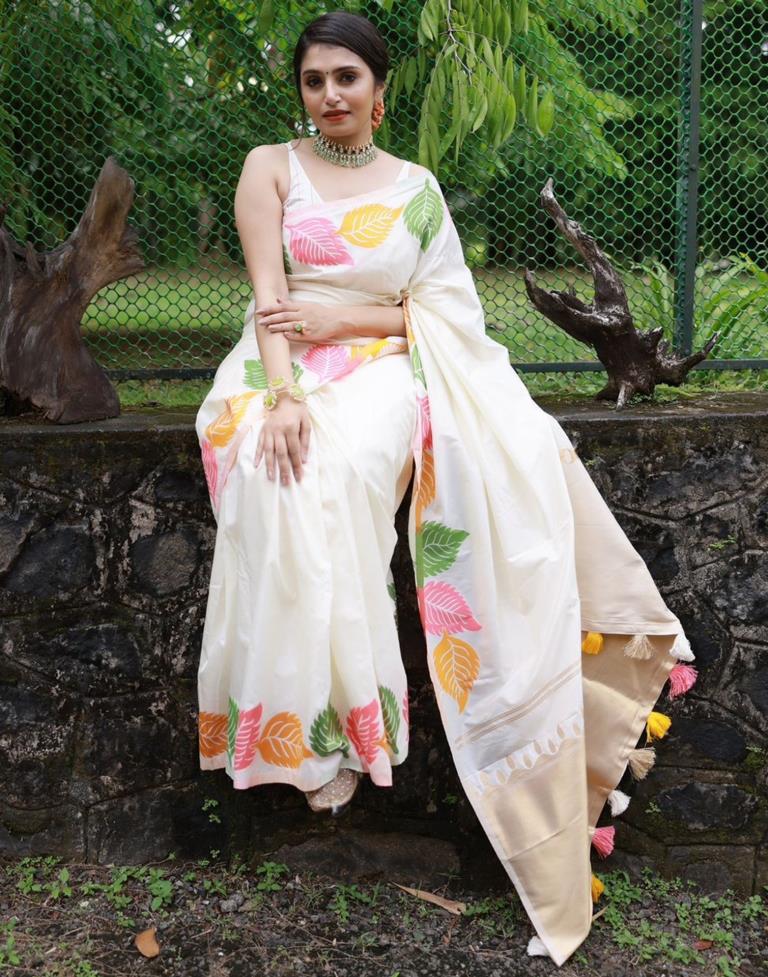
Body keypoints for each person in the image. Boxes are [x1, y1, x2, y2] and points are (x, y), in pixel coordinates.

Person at [194, 10, 698, 966]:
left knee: (338, 478)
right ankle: (307, 740)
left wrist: (347, 314)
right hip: (277, 365)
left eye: (348, 77)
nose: (330, 95)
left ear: (379, 91)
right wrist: (288, 391)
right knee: (275, 463)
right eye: (314, 80)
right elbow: (271, 299)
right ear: (301, 92)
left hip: (390, 367)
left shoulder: (418, 190)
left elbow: (440, 311)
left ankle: (349, 734)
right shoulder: (270, 167)